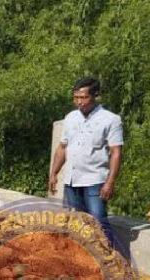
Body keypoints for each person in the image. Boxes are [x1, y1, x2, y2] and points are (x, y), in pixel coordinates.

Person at [49, 77, 123, 244]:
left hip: (94, 181)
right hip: (71, 180)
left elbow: (116, 152)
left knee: (98, 222)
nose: (79, 102)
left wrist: (109, 183)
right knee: (73, 222)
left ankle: (109, 262)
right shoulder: (71, 118)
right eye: (76, 98)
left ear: (96, 96)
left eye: (83, 98)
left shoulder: (111, 120)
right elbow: (62, 147)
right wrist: (54, 173)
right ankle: (80, 263)